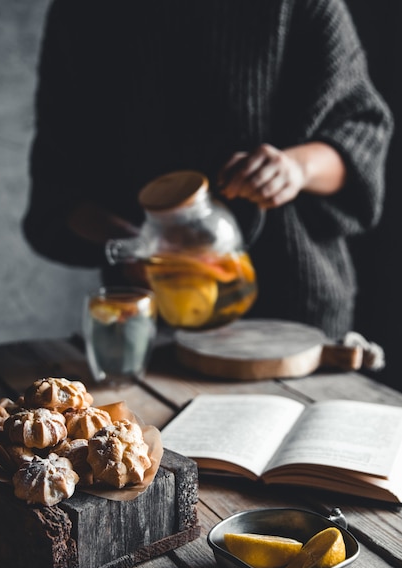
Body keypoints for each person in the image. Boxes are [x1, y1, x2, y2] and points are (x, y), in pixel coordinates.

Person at [23, 0, 393, 340]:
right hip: (155, 324)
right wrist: (139, 247)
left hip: (299, 317)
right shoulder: (81, 12)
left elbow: (362, 131)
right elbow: (59, 190)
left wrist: (295, 168)